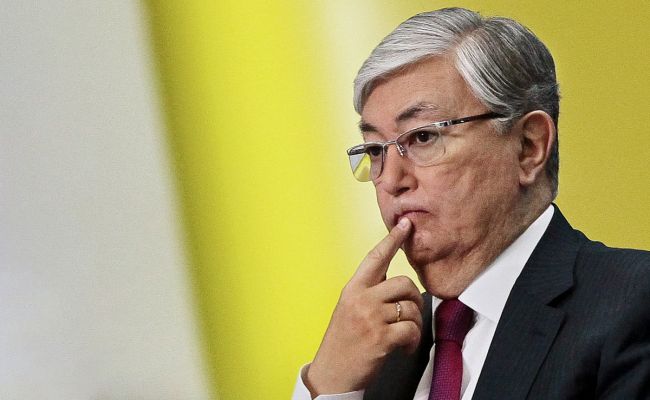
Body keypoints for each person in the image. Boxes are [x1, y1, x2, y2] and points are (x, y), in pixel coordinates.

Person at [292, 7, 650, 400]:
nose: (391, 180)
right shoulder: (377, 351)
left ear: (528, 147)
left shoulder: (634, 303)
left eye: (423, 137)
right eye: (376, 150)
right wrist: (329, 386)